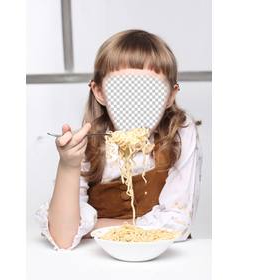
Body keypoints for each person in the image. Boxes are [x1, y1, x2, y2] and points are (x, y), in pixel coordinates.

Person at [36, 29, 202, 250]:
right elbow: (63, 237)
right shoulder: (90, 144)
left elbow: (176, 224)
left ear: (170, 96)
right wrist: (68, 165)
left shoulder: (180, 132)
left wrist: (94, 227)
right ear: (100, 92)